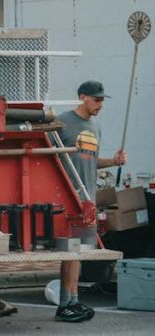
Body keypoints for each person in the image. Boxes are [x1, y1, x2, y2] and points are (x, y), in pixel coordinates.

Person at [54, 80, 127, 323]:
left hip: (88, 197)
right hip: (68, 195)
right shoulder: (62, 122)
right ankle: (65, 303)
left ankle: (72, 300)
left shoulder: (96, 126)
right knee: (70, 252)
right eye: (97, 99)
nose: (100, 104)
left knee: (80, 252)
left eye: (102, 100)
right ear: (83, 97)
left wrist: (113, 161)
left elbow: (91, 161)